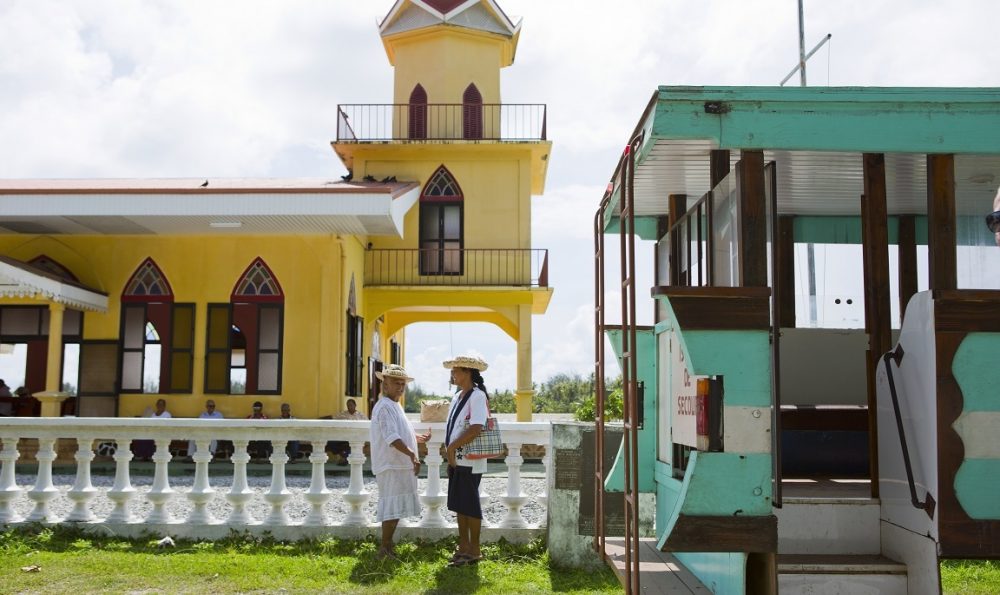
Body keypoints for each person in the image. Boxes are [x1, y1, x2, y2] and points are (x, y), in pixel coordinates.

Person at [369, 364, 430, 560]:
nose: (401, 387)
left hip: (396, 464)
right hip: (390, 464)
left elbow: (401, 430)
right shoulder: (385, 406)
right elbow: (392, 436)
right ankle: (384, 549)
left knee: (394, 507)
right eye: (396, 383)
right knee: (391, 507)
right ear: (384, 384)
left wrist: (416, 437)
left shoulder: (395, 405)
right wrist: (412, 453)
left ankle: (388, 546)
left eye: (403, 384)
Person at [443, 355, 490, 567]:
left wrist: (452, 447)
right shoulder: (458, 397)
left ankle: (475, 549)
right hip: (458, 459)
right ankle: (464, 546)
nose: (453, 374)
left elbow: (477, 427)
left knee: (469, 504)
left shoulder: (477, 396)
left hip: (469, 459)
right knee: (460, 505)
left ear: (468, 372)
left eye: (456, 370)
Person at [328, 398, 366, 466]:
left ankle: (344, 458)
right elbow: (333, 418)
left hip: (355, 436)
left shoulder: (361, 415)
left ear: (355, 405)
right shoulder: (343, 414)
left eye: (351, 405)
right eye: (348, 405)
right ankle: (343, 455)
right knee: (331, 442)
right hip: (343, 436)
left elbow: (367, 425)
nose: (349, 407)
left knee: (352, 445)